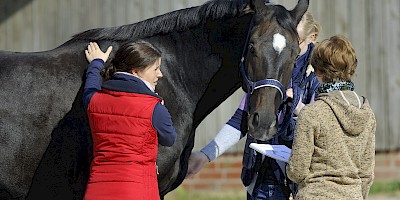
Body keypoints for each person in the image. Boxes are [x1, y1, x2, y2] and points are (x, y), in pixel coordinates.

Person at [186, 12, 321, 199]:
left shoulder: (319, 75)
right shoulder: (271, 68)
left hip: (302, 182)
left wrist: (298, 107)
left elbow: (325, 128)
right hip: (263, 176)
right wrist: (205, 155)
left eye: (296, 42)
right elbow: (241, 119)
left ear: (311, 38)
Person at [82, 41, 177, 200]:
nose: (160, 74)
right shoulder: (155, 109)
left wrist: (97, 62)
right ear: (136, 71)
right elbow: (169, 139)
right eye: (155, 69)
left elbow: (90, 87)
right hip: (138, 191)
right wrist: (162, 109)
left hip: (96, 191)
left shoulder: (94, 101)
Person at [286, 35, 376, 200]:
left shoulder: (312, 113)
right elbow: (367, 173)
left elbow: (297, 171)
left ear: (318, 72)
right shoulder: (368, 114)